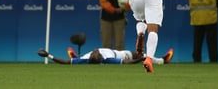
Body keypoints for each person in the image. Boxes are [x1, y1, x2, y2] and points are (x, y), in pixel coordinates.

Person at [37, 46, 174, 65]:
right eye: (96, 54)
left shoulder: (87, 58)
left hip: (82, 57)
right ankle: (161, 61)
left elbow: (65, 62)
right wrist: (141, 59)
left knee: (77, 60)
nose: (95, 51)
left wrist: (48, 55)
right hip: (118, 53)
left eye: (94, 53)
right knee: (136, 53)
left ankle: (76, 56)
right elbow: (126, 63)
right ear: (100, 57)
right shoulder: (108, 58)